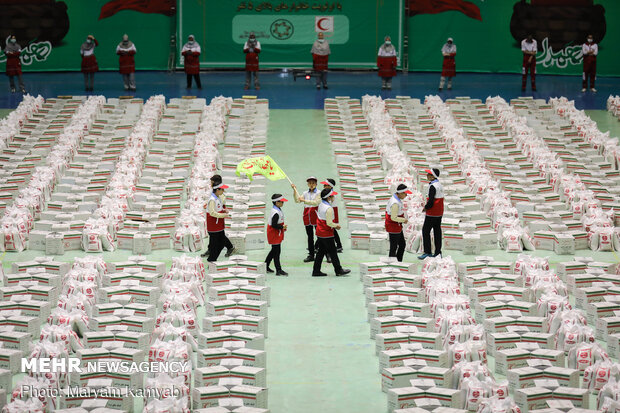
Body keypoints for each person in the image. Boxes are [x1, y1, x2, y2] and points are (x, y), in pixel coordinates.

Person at [313, 188, 351, 277]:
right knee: (333, 252)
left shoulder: (321, 204)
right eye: (332, 195)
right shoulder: (329, 208)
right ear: (329, 197)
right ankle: (338, 270)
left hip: (320, 232)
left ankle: (316, 270)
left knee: (320, 253)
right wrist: (336, 226)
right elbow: (329, 223)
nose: (333, 197)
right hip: (326, 233)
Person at [292, 177, 320, 263]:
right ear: (308, 184)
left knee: (320, 236)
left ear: (316, 184)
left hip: (316, 216)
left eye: (313, 183)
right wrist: (294, 190)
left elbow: (316, 202)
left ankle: (327, 254)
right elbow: (297, 200)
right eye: (310, 183)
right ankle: (311, 255)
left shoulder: (319, 193)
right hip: (307, 217)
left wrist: (304, 200)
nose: (311, 185)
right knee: (310, 237)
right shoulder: (305, 193)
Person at [418, 168, 444, 260]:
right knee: (437, 231)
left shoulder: (432, 186)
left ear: (433, 176)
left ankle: (427, 252)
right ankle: (438, 252)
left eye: (429, 174)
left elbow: (431, 201)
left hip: (432, 213)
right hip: (439, 212)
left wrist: (425, 208)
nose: (427, 176)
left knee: (425, 231)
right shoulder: (439, 185)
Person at [206, 183, 235, 261]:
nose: (223, 191)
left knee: (221, 243)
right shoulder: (212, 200)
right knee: (215, 245)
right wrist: (223, 215)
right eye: (222, 189)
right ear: (217, 190)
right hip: (214, 227)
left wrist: (224, 210)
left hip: (219, 226)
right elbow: (212, 212)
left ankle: (212, 259)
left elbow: (218, 209)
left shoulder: (218, 198)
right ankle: (211, 260)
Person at [385, 184, 412, 262]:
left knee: (402, 245)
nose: (406, 195)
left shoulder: (396, 199)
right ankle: (392, 264)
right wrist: (404, 220)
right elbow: (393, 218)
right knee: (393, 248)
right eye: (405, 193)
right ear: (400, 193)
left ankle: (398, 262)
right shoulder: (395, 203)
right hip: (393, 227)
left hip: (397, 227)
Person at [265, 194, 288, 276]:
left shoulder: (277, 209)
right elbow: (274, 225)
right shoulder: (276, 213)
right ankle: (278, 270)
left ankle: (265, 266)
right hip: (274, 233)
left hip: (276, 233)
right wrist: (282, 226)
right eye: (282, 202)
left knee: (273, 251)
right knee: (276, 252)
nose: (283, 203)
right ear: (277, 202)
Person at [201, 174, 223, 258]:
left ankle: (212, 255)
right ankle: (211, 251)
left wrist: (223, 213)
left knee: (219, 237)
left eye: (212, 182)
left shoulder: (220, 193)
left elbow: (216, 208)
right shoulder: (215, 193)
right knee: (215, 236)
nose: (210, 184)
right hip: (216, 219)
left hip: (216, 220)